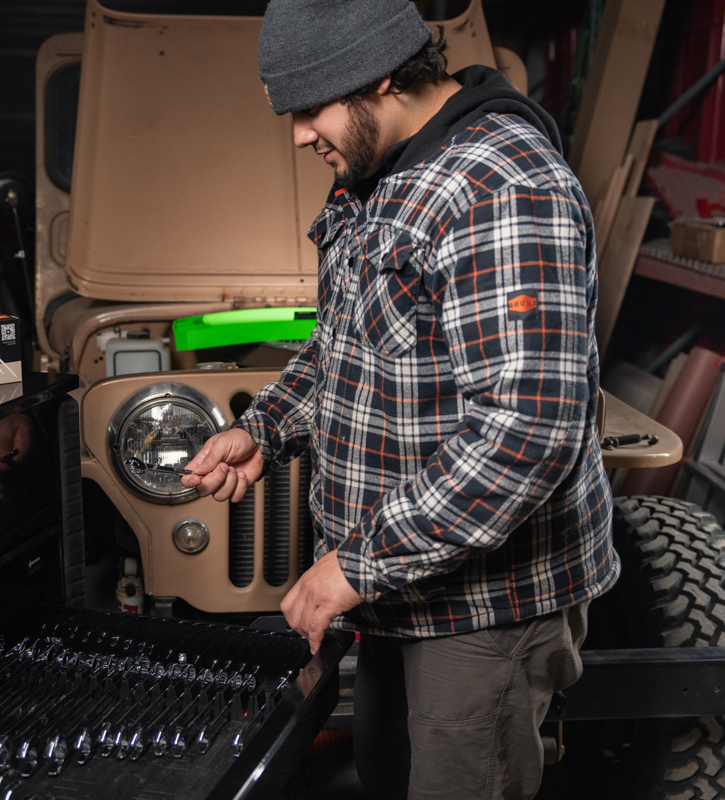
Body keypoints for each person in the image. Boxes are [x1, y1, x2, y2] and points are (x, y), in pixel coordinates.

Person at [182, 2, 616, 798]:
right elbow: (350, 345)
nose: (298, 135)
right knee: (387, 775)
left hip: (483, 608)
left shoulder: (499, 184)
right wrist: (264, 430)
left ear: (381, 75)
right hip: (399, 591)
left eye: (311, 109)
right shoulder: (382, 173)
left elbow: (529, 427)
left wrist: (351, 565)